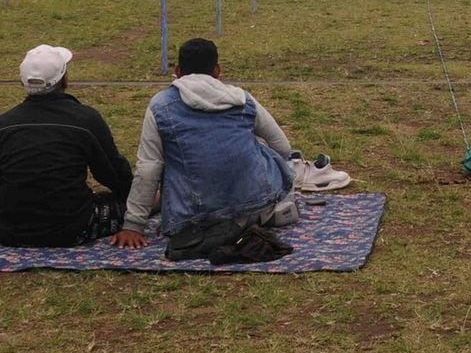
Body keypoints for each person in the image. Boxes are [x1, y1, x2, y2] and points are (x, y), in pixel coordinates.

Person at [112, 38, 295, 257]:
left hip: (192, 219)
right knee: (261, 145)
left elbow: (149, 168)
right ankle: (267, 213)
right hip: (254, 208)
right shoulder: (242, 99)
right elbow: (283, 148)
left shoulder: (160, 106)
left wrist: (133, 225)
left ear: (177, 71)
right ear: (218, 70)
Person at [0, 45, 132, 246]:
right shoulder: (85, 119)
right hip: (73, 227)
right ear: (65, 80)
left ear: (21, 81)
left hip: (8, 230)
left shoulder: (5, 123)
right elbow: (113, 175)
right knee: (145, 201)